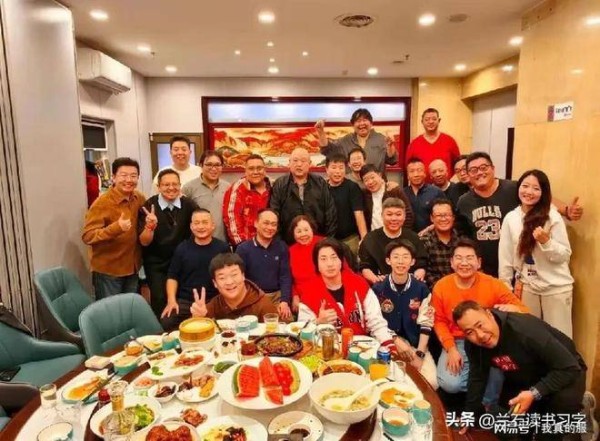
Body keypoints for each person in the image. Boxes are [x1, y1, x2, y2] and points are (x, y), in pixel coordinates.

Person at [454, 300, 587, 441]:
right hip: (524, 373)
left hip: (565, 371)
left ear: (489, 314)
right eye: (470, 332)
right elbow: (477, 377)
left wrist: (534, 393)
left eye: (480, 325)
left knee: (548, 430)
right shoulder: (473, 346)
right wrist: (469, 414)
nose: (480, 335)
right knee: (505, 424)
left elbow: (569, 367)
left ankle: (579, 412)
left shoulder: (525, 330)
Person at [456, 151, 583, 277]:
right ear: (468, 174)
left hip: (519, 264)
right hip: (484, 267)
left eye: (483, 168)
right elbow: (465, 236)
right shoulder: (464, 202)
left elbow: (541, 198)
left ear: (493, 169)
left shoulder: (513, 188)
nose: (479, 172)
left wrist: (566, 210)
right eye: (473, 170)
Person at [431, 238, 528, 395]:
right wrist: (451, 349)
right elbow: (439, 321)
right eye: (459, 258)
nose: (464, 263)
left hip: (487, 339)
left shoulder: (493, 284)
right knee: (450, 384)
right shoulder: (441, 286)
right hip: (458, 341)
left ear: (479, 262)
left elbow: (523, 310)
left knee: (509, 373)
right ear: (451, 262)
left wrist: (513, 308)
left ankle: (487, 390)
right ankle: (484, 384)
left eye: (469, 258)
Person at [498, 170, 574, 337]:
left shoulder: (552, 216)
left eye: (536, 188)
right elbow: (505, 257)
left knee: (559, 338)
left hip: (556, 288)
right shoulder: (511, 218)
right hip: (527, 287)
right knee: (530, 337)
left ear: (543, 192)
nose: (529, 192)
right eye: (525, 186)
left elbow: (564, 255)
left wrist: (546, 242)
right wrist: (506, 287)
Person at [296, 238, 405, 354]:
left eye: (334, 257)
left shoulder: (359, 284)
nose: (330, 264)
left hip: (363, 349)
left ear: (341, 261)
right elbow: (301, 336)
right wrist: (318, 322)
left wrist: (390, 347)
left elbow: (376, 323)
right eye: (323, 259)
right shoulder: (309, 293)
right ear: (317, 264)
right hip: (328, 352)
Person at [372, 240, 438, 388]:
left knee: (431, 382)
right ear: (388, 260)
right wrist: (394, 340)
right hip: (386, 341)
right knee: (390, 380)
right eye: (396, 257)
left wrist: (420, 354)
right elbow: (374, 321)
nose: (400, 261)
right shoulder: (378, 289)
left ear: (412, 261)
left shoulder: (421, 288)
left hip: (415, 345)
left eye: (405, 257)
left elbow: (426, 323)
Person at [82, 157, 146, 299]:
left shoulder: (139, 198)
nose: (129, 180)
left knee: (130, 308)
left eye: (133, 176)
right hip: (109, 271)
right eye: (123, 175)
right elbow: (88, 236)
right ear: (114, 177)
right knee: (111, 310)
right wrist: (116, 228)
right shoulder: (101, 203)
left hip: (132, 268)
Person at [138, 169, 198, 316]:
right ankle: (161, 328)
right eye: (166, 185)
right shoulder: (148, 206)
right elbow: (144, 242)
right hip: (156, 263)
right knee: (160, 299)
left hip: (182, 261)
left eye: (175, 184)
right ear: (158, 187)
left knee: (183, 299)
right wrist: (149, 227)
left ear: (180, 186)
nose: (171, 188)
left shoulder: (189, 205)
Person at [160, 208, 230, 330]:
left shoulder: (222, 248)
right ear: (191, 227)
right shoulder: (182, 248)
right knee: (167, 321)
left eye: (205, 222)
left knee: (226, 324)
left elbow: (229, 276)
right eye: (196, 223)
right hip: (186, 301)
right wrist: (171, 301)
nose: (201, 226)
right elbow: (172, 277)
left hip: (215, 300)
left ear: (213, 225)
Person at [288, 215, 357, 312]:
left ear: (312, 229)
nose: (303, 234)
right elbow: (288, 278)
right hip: (304, 298)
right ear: (293, 234)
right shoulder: (290, 252)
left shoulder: (325, 244)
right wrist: (294, 295)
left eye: (306, 230)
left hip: (328, 293)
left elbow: (344, 269)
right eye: (299, 231)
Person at [236, 209, 293, 320]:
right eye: (266, 223)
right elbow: (240, 279)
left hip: (277, 296)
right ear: (256, 223)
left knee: (287, 324)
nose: (270, 227)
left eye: (273, 224)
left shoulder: (281, 247)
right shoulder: (243, 249)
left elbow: (285, 276)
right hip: (253, 296)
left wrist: (285, 301)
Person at [269, 147, 337, 241]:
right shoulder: (280, 184)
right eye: (295, 160)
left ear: (310, 164)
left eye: (303, 161)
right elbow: (274, 214)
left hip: (318, 240)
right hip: (288, 241)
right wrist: (279, 243)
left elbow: (330, 212)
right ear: (289, 163)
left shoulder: (320, 182)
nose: (299, 164)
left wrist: (328, 240)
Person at [190, 253, 278, 320]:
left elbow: (277, 335)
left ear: (243, 276)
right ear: (215, 283)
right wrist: (197, 318)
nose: (229, 282)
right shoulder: (214, 305)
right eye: (222, 278)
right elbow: (195, 334)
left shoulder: (263, 305)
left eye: (234, 275)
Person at [359, 198, 427, 284]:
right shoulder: (370, 238)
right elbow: (364, 266)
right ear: (382, 215)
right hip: (379, 284)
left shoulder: (413, 237)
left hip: (409, 283)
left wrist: (417, 276)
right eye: (389, 214)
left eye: (398, 214)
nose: (394, 218)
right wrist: (375, 279)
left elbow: (421, 263)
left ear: (404, 216)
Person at [315, 108, 398, 174]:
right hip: (351, 187)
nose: (362, 123)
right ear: (353, 125)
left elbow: (392, 161)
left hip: (376, 185)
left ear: (371, 123)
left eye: (364, 120)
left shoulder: (382, 139)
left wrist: (390, 146)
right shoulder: (346, 140)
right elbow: (327, 149)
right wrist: (321, 132)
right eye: (358, 121)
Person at [222, 154, 271, 246]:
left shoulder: (274, 186)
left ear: (265, 169)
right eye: (251, 168)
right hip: (246, 245)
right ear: (245, 171)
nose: (255, 172)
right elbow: (232, 219)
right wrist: (244, 246)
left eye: (259, 168)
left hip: (270, 243)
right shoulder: (238, 189)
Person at [182, 151, 229, 242]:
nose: (213, 168)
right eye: (209, 165)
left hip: (222, 242)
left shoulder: (228, 187)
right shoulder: (189, 188)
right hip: (197, 243)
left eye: (217, 165)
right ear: (201, 165)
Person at [325, 153, 367, 255]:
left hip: (350, 240)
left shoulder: (352, 187)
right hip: (327, 240)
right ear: (326, 169)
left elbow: (359, 213)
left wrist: (365, 239)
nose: (337, 171)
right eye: (334, 167)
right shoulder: (322, 188)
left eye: (341, 168)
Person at [405, 108, 460, 175]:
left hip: (444, 181)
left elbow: (458, 164)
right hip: (423, 182)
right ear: (422, 122)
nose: (431, 122)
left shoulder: (449, 141)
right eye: (427, 119)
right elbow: (408, 166)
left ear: (439, 120)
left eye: (434, 119)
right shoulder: (414, 144)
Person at [420, 199, 461, 288]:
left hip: (461, 288)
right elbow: (425, 273)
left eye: (447, 215)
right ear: (432, 218)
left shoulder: (461, 240)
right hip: (434, 290)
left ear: (453, 217)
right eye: (438, 215)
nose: (443, 219)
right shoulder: (424, 241)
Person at [360, 164, 414, 231]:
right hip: (374, 234)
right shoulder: (364, 194)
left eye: (372, 177)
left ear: (380, 175)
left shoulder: (393, 190)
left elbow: (408, 214)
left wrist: (402, 234)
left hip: (395, 234)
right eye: (366, 180)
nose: (370, 182)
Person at [404, 157, 447, 233]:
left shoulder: (436, 192)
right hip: (407, 236)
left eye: (419, 170)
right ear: (407, 176)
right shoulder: (402, 193)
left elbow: (445, 215)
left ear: (425, 174)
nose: (416, 174)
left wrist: (430, 228)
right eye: (412, 171)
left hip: (431, 235)